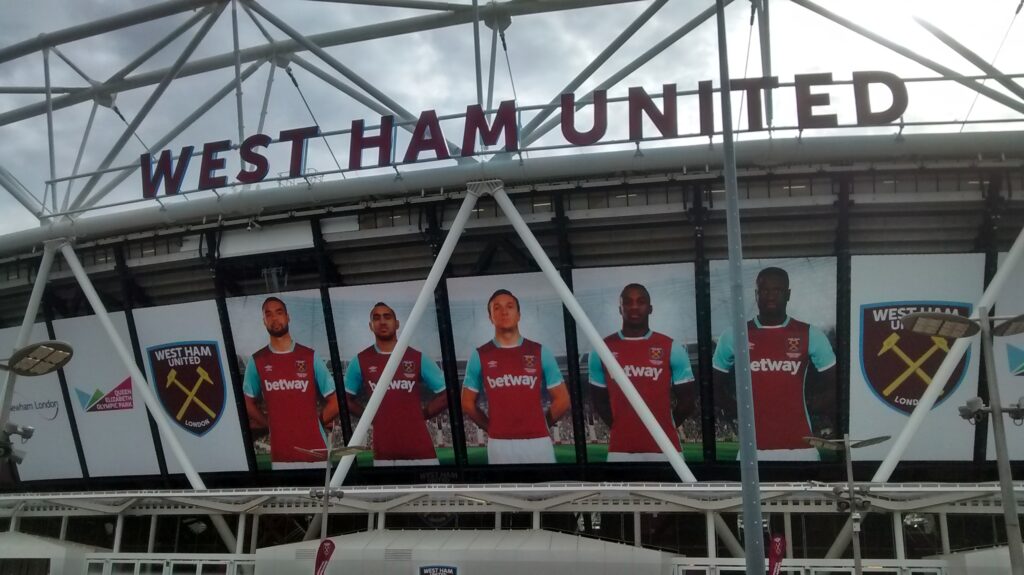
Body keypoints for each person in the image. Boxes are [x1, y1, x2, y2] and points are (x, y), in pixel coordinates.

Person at [712, 267, 837, 461]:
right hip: (752, 451)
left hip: (802, 450)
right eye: (764, 290)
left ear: (788, 294)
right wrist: (738, 410)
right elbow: (713, 386)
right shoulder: (734, 334)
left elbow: (837, 385)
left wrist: (808, 406)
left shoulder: (810, 334)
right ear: (756, 294)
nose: (770, 296)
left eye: (777, 290)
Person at [589, 283, 696, 462]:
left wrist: (659, 430)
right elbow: (599, 402)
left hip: (666, 450)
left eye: (641, 301)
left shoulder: (671, 347)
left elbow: (687, 403)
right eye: (628, 302)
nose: (634, 307)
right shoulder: (601, 349)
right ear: (620, 309)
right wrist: (624, 428)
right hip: (620, 450)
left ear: (650, 308)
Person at [461, 289, 571, 464]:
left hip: (538, 442)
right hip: (499, 444)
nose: (504, 311)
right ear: (490, 317)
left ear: (519, 315)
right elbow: (467, 403)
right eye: (497, 308)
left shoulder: (540, 351)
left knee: (546, 491)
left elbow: (563, 399)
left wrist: (542, 424)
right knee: (503, 492)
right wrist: (491, 428)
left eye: (510, 306)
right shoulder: (479, 355)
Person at [345, 302, 448, 466]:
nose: (382, 321)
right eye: (376, 318)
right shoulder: (360, 361)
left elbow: (447, 394)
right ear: (371, 326)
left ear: (397, 323)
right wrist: (369, 416)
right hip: (384, 453)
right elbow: (344, 399)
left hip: (421, 451)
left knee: (432, 493)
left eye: (387, 316)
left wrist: (423, 414)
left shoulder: (417, 357)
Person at [243, 297, 339, 467]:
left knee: (324, 493)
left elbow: (335, 401)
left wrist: (313, 422)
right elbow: (247, 402)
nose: (274, 318)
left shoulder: (310, 356)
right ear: (264, 321)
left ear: (288, 317)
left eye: (279, 313)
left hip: (316, 450)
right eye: (269, 314)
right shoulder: (256, 360)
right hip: (281, 454)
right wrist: (269, 425)